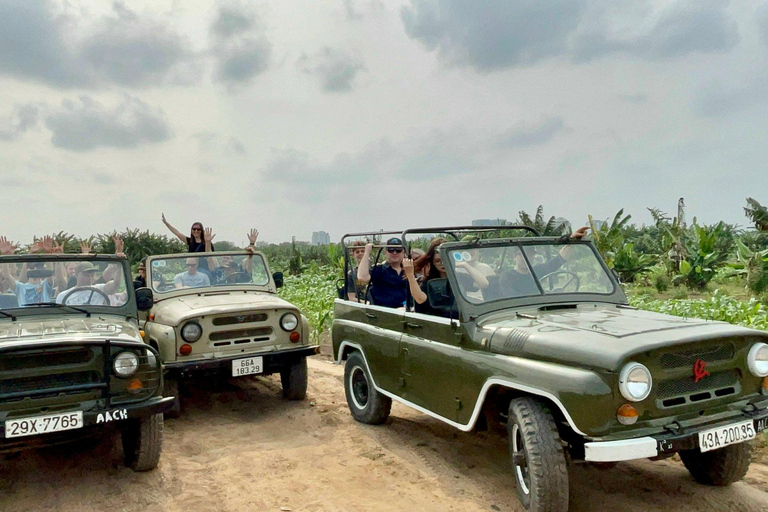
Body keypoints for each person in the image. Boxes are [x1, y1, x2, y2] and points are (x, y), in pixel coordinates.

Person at [498, 226, 590, 296]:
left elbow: (558, 260)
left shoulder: (537, 270)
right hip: (519, 312)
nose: (527, 258)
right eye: (522, 255)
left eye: (530, 255)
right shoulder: (507, 277)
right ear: (515, 257)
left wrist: (572, 239)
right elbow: (512, 298)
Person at [357, 237, 408, 308]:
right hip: (384, 312)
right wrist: (367, 252)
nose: (395, 253)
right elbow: (362, 277)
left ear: (404, 252)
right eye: (391, 250)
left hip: (407, 311)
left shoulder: (409, 271)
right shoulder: (379, 269)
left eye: (398, 250)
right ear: (386, 252)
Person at [403, 238, 449, 316]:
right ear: (432, 262)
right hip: (434, 319)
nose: (442, 263)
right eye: (438, 261)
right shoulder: (430, 281)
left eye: (446, 259)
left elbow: (477, 284)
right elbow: (420, 299)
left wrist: (465, 265)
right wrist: (410, 275)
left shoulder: (459, 278)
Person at [56, 261, 123, 306]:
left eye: (92, 275)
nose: (90, 278)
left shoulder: (100, 289)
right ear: (76, 275)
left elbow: (115, 284)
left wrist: (119, 266)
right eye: (86, 276)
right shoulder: (63, 296)